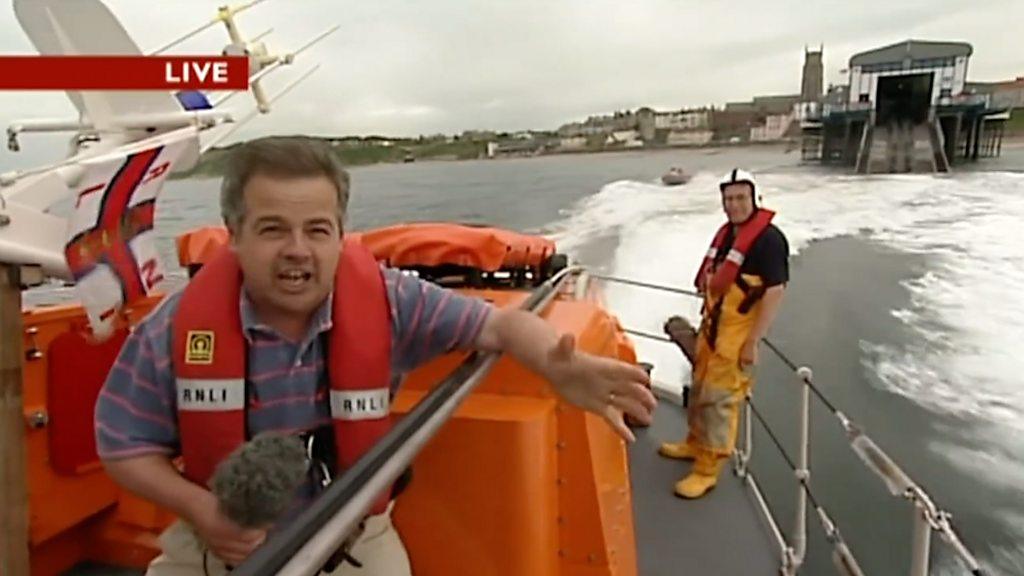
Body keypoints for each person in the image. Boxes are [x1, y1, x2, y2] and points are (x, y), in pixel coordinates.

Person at [93, 136, 657, 576]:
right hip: (217, 542)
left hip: (356, 541)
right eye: (272, 230)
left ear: (341, 237)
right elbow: (123, 447)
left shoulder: (390, 301)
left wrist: (557, 364)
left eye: (317, 230)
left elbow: (502, 325)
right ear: (234, 237)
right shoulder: (172, 330)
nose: (296, 249)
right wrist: (201, 512)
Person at [658, 168, 788, 499]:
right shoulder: (728, 234)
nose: (734, 205)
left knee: (719, 401)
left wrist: (752, 341)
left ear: (754, 198)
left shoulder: (769, 241)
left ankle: (707, 469)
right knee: (700, 389)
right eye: (728, 199)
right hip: (712, 329)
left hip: (735, 338)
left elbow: (775, 291)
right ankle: (694, 443)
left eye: (740, 198)